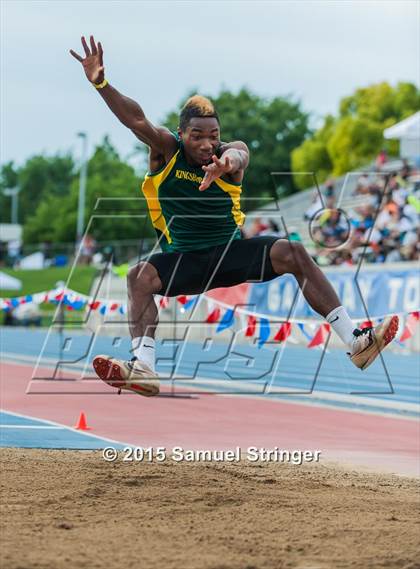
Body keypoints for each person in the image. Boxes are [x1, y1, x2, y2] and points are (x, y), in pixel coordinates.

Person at [70, 36, 399, 396]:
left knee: (294, 252)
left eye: (213, 136)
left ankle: (354, 341)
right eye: (197, 136)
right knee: (139, 276)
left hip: (230, 254)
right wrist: (101, 83)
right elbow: (135, 119)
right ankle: (144, 366)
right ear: (182, 134)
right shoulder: (166, 150)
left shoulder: (228, 155)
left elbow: (240, 155)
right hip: (186, 260)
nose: (206, 144)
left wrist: (227, 163)